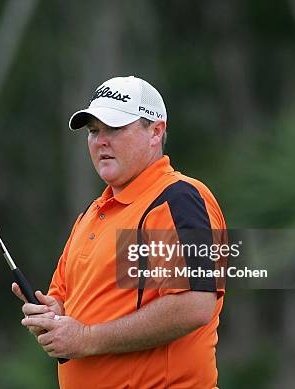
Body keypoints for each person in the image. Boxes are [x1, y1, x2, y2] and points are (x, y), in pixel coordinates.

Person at [12, 76, 226, 388]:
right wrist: (52, 315)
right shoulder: (93, 213)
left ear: (155, 132)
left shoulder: (175, 198)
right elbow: (71, 303)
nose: (100, 141)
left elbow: (194, 304)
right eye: (94, 131)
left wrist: (86, 338)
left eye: (114, 128)